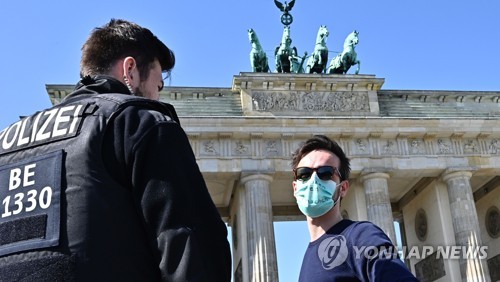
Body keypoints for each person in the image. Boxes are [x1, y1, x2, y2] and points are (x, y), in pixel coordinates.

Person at [0, 19, 231, 281]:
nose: (157, 98)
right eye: (158, 86)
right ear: (129, 70)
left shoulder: (6, 142)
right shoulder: (140, 123)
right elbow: (192, 246)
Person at [291, 135, 417, 281]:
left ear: (343, 187)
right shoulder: (309, 255)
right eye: (304, 174)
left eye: (325, 173)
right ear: (295, 188)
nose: (313, 180)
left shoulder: (360, 236)